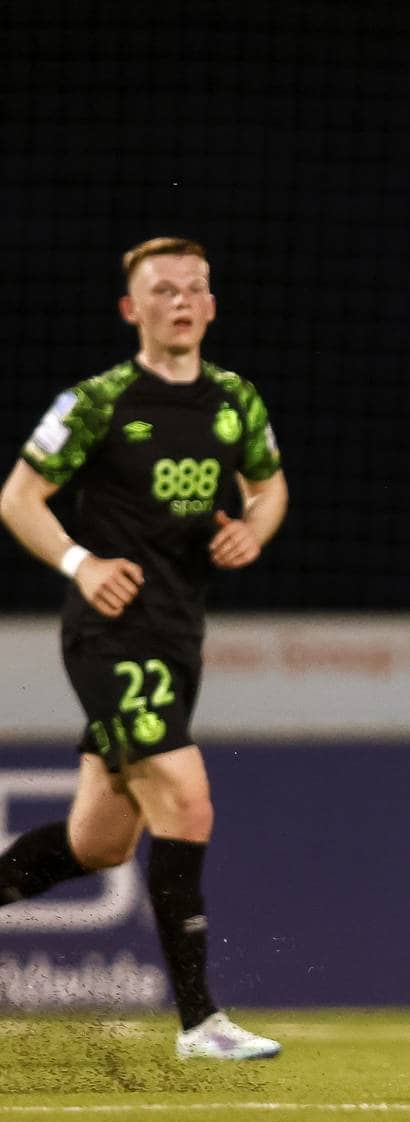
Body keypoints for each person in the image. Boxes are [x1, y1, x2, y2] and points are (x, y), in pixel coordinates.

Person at [0, 236, 288, 1059]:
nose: (183, 300)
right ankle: (201, 1023)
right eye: (164, 290)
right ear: (133, 310)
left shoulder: (235, 401)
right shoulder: (96, 400)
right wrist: (79, 562)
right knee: (188, 801)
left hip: (176, 636)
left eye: (196, 287)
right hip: (110, 635)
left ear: (212, 305)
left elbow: (269, 488)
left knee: (99, 843)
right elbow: (19, 497)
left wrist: (253, 533)